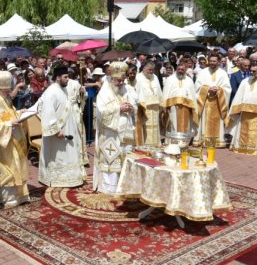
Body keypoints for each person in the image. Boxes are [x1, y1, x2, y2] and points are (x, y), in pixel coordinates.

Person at [0, 70, 30, 208]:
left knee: (16, 165)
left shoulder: (4, 98)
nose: (9, 91)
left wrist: (21, 113)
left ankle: (19, 195)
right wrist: (9, 124)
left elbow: (10, 114)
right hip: (2, 141)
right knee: (9, 167)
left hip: (11, 137)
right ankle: (8, 196)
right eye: (7, 88)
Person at [37, 64, 86, 188]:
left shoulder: (62, 89)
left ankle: (70, 178)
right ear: (58, 77)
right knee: (59, 156)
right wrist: (55, 131)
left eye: (68, 77)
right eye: (65, 77)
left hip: (69, 127)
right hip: (58, 132)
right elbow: (46, 111)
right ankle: (56, 179)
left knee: (68, 154)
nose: (67, 79)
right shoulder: (51, 92)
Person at [93, 62, 136, 194]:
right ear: (111, 79)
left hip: (126, 134)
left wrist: (131, 107)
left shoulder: (127, 89)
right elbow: (101, 113)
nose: (121, 83)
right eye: (118, 80)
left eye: (123, 80)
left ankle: (124, 185)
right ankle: (109, 187)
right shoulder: (104, 93)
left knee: (125, 159)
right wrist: (119, 108)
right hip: (110, 134)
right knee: (111, 160)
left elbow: (135, 104)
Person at [228, 64, 257, 156]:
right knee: (241, 129)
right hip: (244, 113)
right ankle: (241, 146)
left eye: (254, 71)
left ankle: (256, 148)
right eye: (251, 71)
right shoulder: (245, 81)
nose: (251, 73)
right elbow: (239, 96)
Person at [194, 57, 232, 148]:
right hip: (205, 102)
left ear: (218, 62)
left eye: (214, 61)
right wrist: (207, 89)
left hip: (218, 102)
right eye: (211, 61)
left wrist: (219, 89)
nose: (212, 63)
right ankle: (203, 140)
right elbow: (197, 87)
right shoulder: (203, 72)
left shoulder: (223, 73)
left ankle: (217, 141)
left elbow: (227, 88)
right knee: (204, 121)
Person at [133, 60, 164, 146]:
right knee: (145, 127)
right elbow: (136, 93)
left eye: (152, 70)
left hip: (155, 108)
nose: (151, 72)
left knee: (155, 126)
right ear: (144, 68)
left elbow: (159, 91)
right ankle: (146, 146)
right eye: (149, 70)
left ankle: (156, 144)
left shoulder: (155, 77)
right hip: (144, 108)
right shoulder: (138, 78)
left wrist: (162, 103)